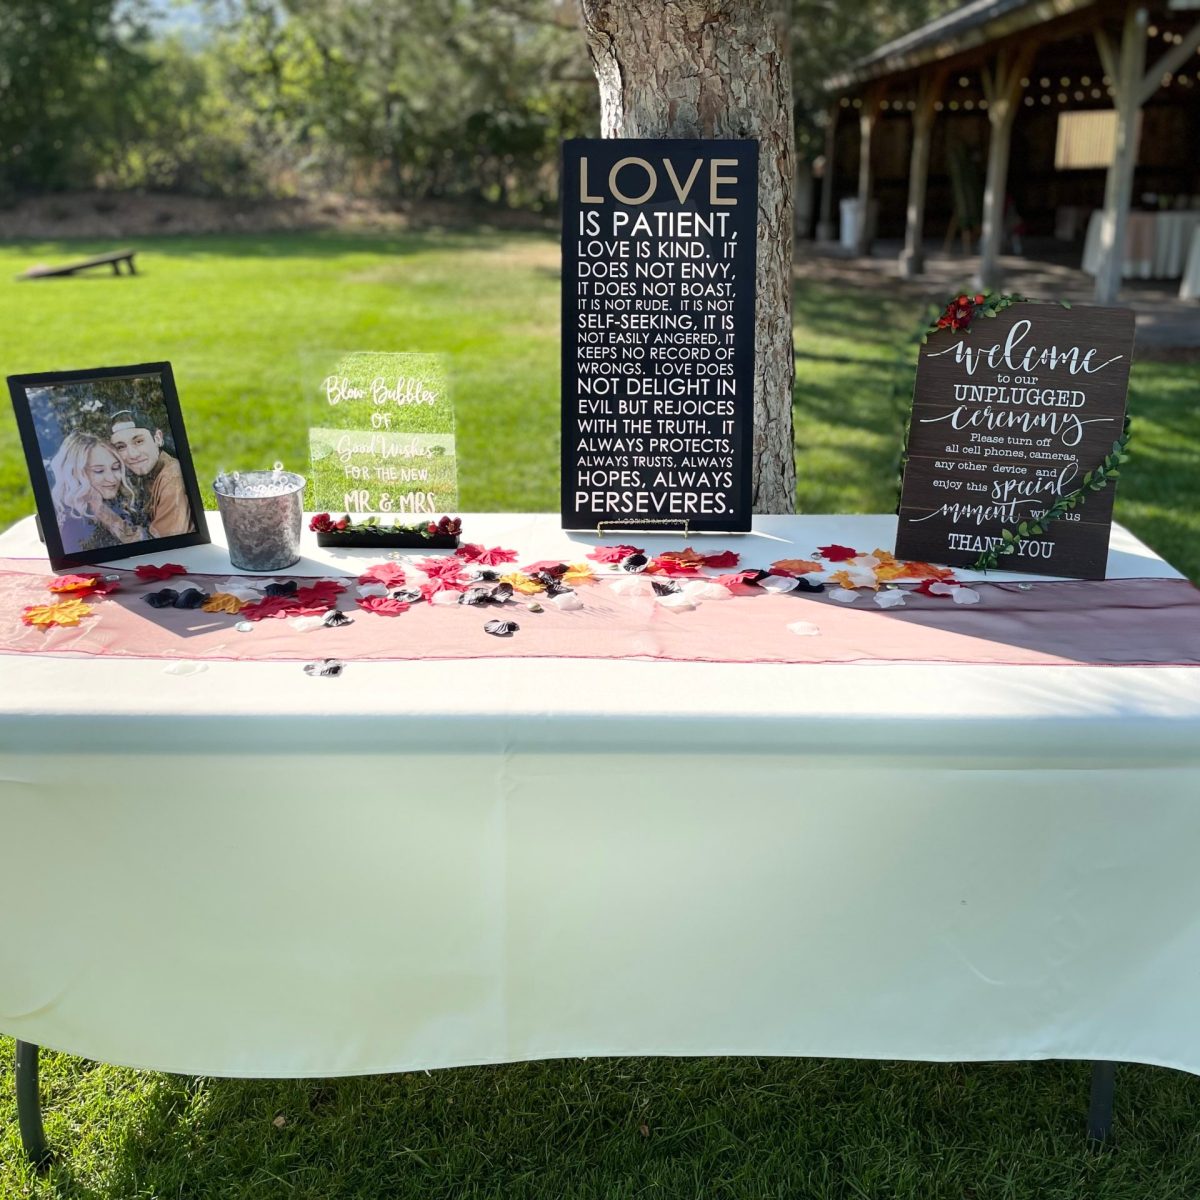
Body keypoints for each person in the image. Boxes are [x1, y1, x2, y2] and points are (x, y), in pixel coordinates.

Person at [49, 432, 146, 554]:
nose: (112, 479)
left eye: (115, 468)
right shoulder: (74, 523)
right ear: (75, 474)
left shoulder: (113, 503)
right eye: (99, 471)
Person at [108, 409, 195, 538]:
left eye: (138, 441)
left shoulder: (172, 479)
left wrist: (103, 514)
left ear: (158, 438)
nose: (132, 455)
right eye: (121, 447)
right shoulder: (144, 474)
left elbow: (161, 543)